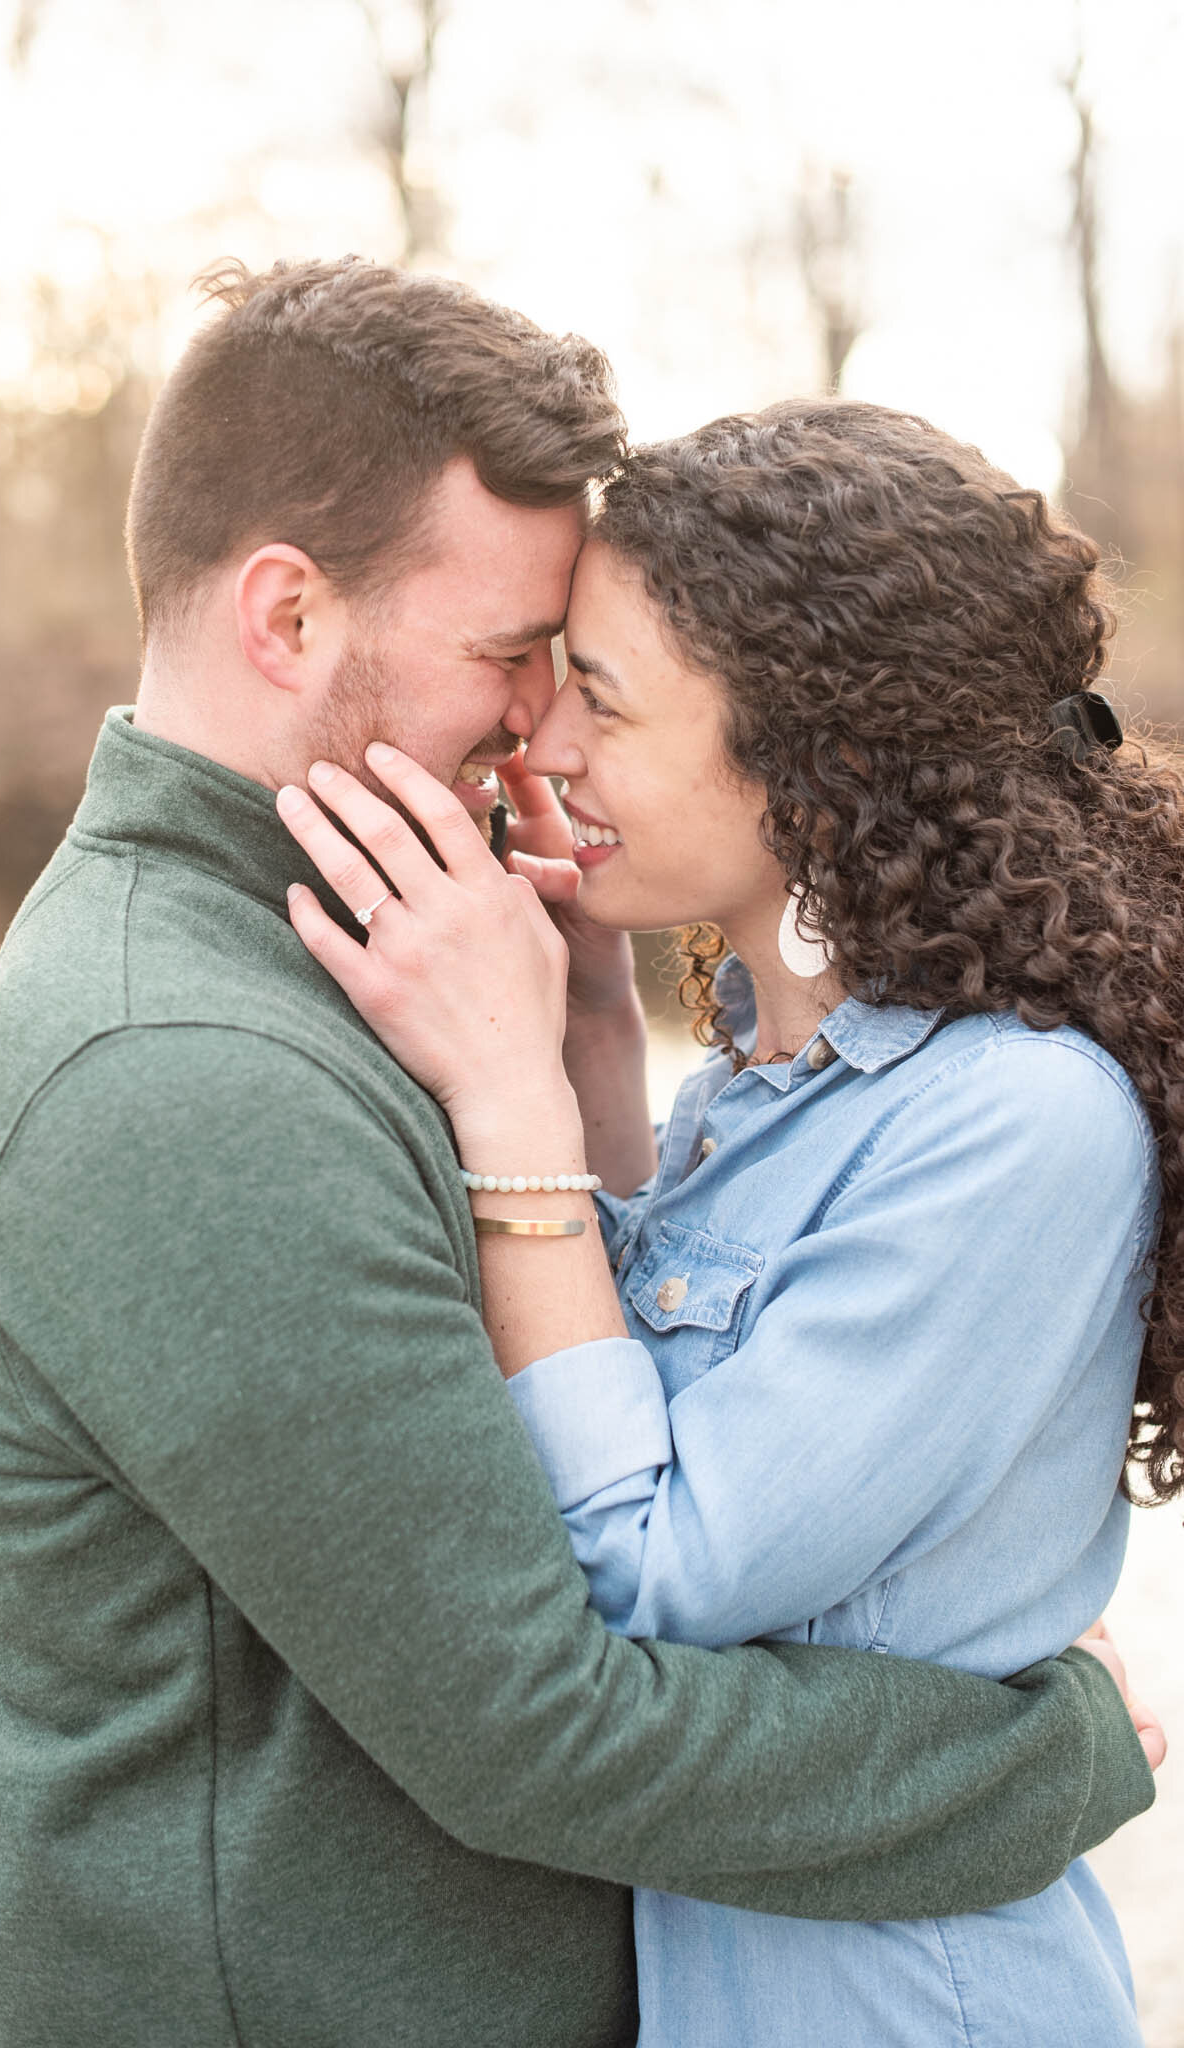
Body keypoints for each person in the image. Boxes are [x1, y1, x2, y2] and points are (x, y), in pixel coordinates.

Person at [0, 272, 1159, 2048]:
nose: (533, 735)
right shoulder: (179, 1068)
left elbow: (651, 1445)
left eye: (582, 684)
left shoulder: (365, 951)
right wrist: (1047, 1762)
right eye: (512, 658)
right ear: (286, 615)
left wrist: (567, 1069)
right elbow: (548, 1716)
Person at [278, 397, 1180, 2045]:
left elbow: (650, 1569)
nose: (543, 747)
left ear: (812, 756)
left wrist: (514, 1109)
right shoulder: (772, 1079)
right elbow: (631, 1387)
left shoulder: (1016, 1125)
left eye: (602, 700)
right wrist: (592, 1038)